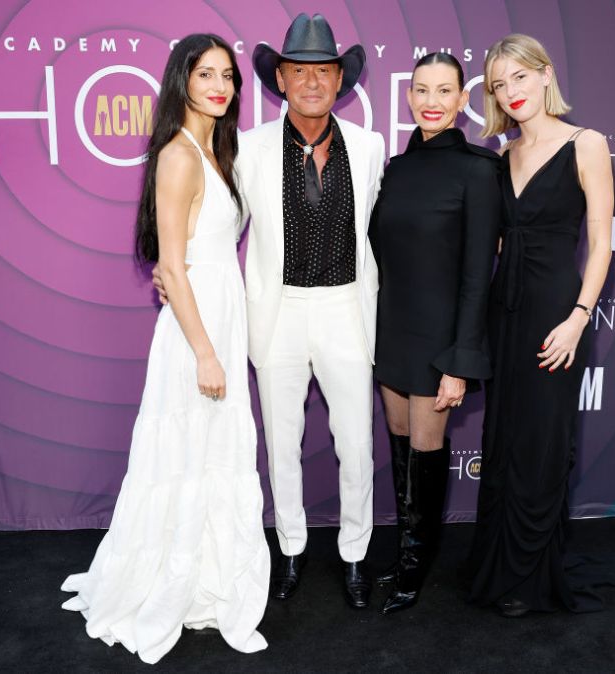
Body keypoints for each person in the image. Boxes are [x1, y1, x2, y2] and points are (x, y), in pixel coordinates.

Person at [153, 14, 385, 609]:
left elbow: (386, 233)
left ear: (341, 80)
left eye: (324, 71)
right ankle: (290, 549)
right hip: (275, 314)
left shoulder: (369, 147)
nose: (312, 81)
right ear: (279, 78)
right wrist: (171, 270)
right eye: (299, 70)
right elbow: (209, 219)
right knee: (281, 445)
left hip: (345, 311)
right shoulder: (244, 149)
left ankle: (355, 556)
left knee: (356, 444)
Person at [61, 34, 269, 661]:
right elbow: (172, 268)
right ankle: (170, 587)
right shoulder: (179, 155)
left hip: (215, 315)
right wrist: (206, 352)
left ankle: (206, 582)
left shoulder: (214, 149)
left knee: (209, 455)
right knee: (186, 454)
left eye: (228, 75)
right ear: (181, 79)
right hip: (196, 329)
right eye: (205, 74)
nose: (219, 85)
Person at [465, 34, 615, 618]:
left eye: (519, 78)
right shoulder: (501, 156)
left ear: (546, 75)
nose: (511, 92)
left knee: (543, 442)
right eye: (499, 85)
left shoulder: (587, 144)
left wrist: (579, 319)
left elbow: (601, 244)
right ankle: (499, 564)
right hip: (505, 311)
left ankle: (530, 574)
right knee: (502, 439)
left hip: (557, 312)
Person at [368, 52, 500, 614]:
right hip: (393, 330)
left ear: (463, 100)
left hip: (439, 341)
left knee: (425, 450)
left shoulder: (478, 168)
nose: (431, 101)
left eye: (444, 91)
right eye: (421, 89)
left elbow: (478, 275)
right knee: (400, 451)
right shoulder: (396, 168)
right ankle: (404, 553)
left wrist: (459, 360)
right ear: (408, 95)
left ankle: (416, 567)